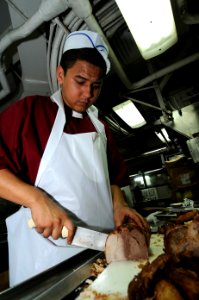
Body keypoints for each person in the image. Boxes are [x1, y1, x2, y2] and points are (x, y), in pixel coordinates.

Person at [0, 30, 148, 287]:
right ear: (60, 74)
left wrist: (119, 205)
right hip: (47, 264)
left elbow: (113, 178)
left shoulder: (100, 126)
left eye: (96, 85)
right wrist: (36, 199)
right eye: (80, 81)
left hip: (102, 256)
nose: (88, 93)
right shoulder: (30, 112)